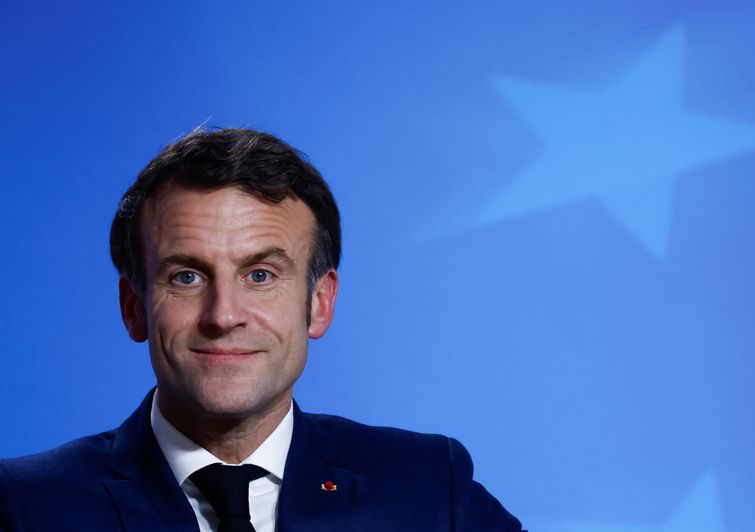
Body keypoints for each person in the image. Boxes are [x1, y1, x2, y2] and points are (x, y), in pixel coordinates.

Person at [0, 128, 525, 531]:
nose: (224, 314)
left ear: (318, 303)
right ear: (134, 307)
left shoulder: (429, 487)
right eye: (187, 276)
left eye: (260, 275)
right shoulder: (23, 505)